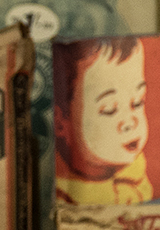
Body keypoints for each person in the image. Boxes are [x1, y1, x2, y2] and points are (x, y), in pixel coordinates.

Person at [56, 35, 151, 203]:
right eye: (109, 110)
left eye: (137, 102)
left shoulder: (134, 168)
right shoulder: (60, 193)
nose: (130, 122)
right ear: (60, 123)